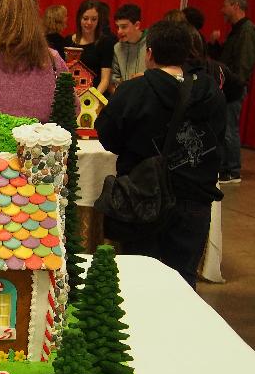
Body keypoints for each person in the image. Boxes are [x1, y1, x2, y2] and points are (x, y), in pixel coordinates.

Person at [95, 20, 226, 289]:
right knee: (183, 281)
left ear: (150, 53)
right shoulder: (210, 91)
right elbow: (219, 139)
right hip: (195, 199)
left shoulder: (133, 90)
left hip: (144, 197)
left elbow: (107, 135)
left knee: (139, 279)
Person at [208, 0, 255, 184]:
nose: (222, 10)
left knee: (229, 129)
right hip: (229, 86)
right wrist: (215, 45)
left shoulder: (246, 31)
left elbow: (243, 63)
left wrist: (235, 83)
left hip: (233, 88)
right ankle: (226, 167)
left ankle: (232, 169)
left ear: (236, 6)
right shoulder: (238, 31)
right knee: (226, 128)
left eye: (225, 6)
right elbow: (226, 59)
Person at [66, 0, 114, 95]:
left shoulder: (105, 43)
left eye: (94, 19)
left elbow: (105, 80)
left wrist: (92, 98)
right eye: (85, 18)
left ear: (98, 20)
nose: (89, 23)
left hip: (95, 96)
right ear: (79, 18)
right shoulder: (68, 41)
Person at [111, 3, 148, 90]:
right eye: (117, 27)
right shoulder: (117, 48)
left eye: (124, 27)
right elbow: (114, 78)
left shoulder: (151, 43)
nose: (119, 31)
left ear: (137, 25)